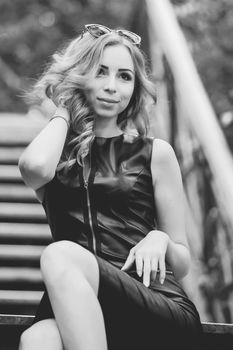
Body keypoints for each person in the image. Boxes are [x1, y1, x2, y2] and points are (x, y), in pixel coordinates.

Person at [18, 24, 202, 350]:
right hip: (75, 303)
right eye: (100, 72)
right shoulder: (55, 156)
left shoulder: (153, 153)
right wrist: (65, 105)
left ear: (135, 87)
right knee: (36, 339)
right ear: (80, 76)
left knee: (59, 254)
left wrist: (159, 239)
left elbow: (184, 261)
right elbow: (33, 168)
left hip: (151, 300)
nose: (112, 86)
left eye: (124, 76)